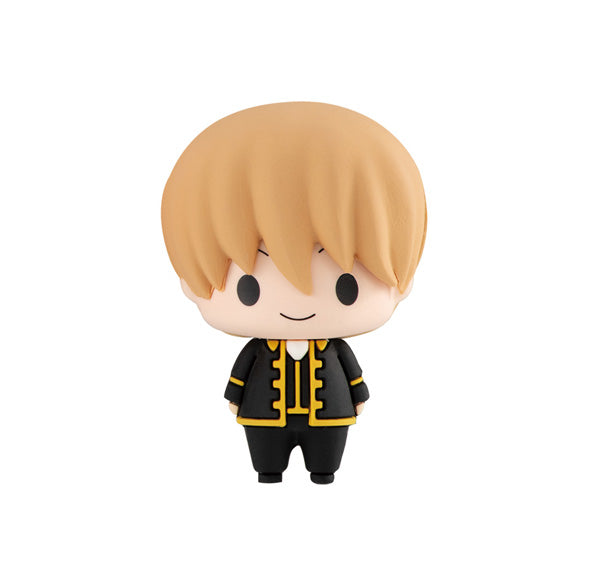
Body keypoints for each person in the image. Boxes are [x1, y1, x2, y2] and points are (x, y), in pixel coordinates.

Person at [161, 101, 427, 483]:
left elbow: (352, 375)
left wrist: (358, 393)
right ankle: (269, 471)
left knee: (325, 461)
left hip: (328, 417)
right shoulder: (261, 351)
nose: (299, 301)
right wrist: (236, 396)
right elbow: (241, 375)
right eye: (249, 288)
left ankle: (323, 471)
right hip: (264, 418)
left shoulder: (334, 351)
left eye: (345, 286)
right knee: (267, 460)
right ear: (189, 281)